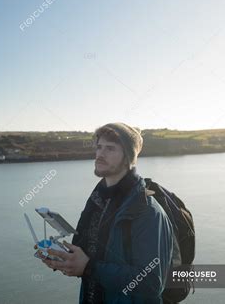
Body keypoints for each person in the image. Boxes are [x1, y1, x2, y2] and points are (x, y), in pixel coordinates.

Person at [41, 122, 174, 304]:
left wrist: (88, 267)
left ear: (128, 157)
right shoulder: (97, 202)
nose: (100, 154)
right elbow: (89, 258)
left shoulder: (147, 212)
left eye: (110, 149)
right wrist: (63, 259)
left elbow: (151, 283)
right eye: (99, 147)